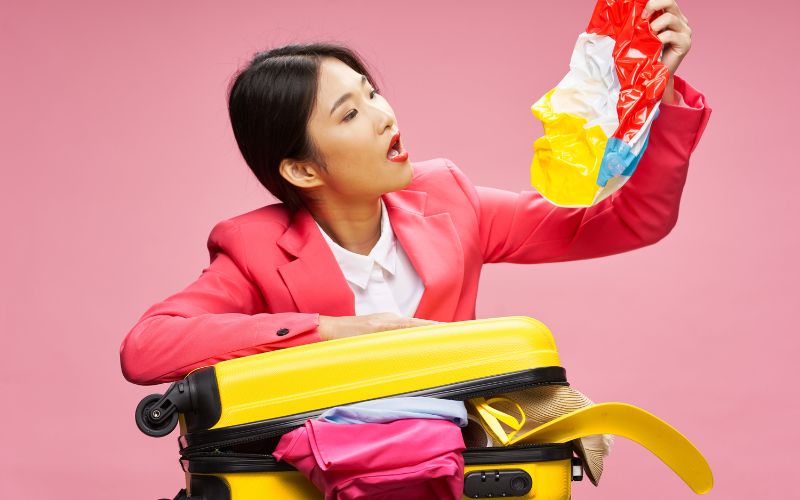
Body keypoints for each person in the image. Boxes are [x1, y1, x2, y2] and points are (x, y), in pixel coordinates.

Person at [120, 0, 710, 386]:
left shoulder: (449, 200)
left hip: (453, 467)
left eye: (371, 92)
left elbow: (632, 221)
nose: (383, 115)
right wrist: (334, 331)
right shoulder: (254, 248)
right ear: (301, 170)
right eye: (350, 113)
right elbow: (147, 348)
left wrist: (662, 97)